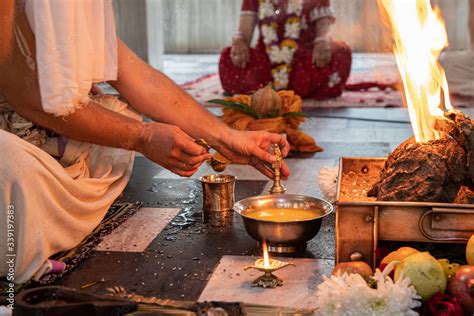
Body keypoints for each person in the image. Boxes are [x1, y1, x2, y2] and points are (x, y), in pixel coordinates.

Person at [0, 0, 290, 284]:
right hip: (13, 134)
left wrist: (226, 137)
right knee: (11, 166)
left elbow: (137, 77)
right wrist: (143, 137)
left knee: (118, 114)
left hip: (49, 136)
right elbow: (32, 99)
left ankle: (34, 228)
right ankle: (29, 233)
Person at [219, 0, 352, 99]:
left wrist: (322, 41)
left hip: (305, 59)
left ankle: (266, 90)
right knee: (227, 56)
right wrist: (239, 41)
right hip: (266, 61)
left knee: (341, 53)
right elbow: (243, 31)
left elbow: (325, 28)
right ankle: (293, 89)